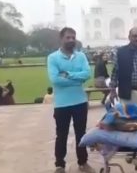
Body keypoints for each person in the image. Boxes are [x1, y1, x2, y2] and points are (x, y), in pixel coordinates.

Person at [47, 27, 95, 173]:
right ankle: (60, 164)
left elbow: (87, 75)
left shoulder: (80, 56)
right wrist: (76, 78)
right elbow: (55, 80)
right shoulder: (53, 58)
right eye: (68, 38)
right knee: (61, 134)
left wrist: (67, 75)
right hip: (62, 103)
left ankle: (83, 161)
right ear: (61, 39)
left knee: (81, 133)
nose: (71, 40)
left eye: (73, 37)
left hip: (79, 101)